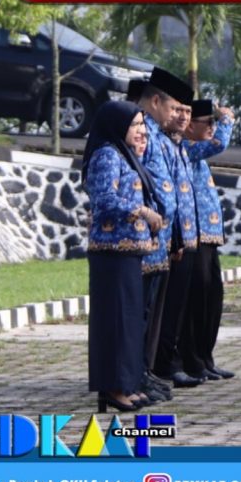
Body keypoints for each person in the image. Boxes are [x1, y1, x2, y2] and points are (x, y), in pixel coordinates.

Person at [81, 101, 162, 412]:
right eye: (135, 125)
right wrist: (142, 211)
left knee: (128, 320)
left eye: (142, 124)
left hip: (128, 251)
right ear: (117, 126)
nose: (141, 131)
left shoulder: (123, 154)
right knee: (115, 321)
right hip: (111, 251)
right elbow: (104, 200)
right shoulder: (106, 155)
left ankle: (126, 384)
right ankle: (113, 388)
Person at [136, 67, 195, 399]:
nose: (176, 115)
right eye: (173, 108)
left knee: (152, 314)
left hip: (161, 240)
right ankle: (136, 374)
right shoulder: (142, 132)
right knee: (141, 313)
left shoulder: (159, 135)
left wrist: (174, 238)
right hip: (145, 238)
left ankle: (144, 371)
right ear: (155, 101)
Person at [179, 99, 236, 381]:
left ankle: (206, 357)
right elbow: (218, 144)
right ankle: (193, 360)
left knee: (213, 296)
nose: (212, 127)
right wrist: (226, 120)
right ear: (190, 126)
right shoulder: (187, 148)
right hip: (196, 236)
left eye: (214, 123)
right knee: (197, 297)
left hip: (210, 236)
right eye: (208, 123)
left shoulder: (197, 153)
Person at [152, 97, 203, 384]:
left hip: (186, 236)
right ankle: (163, 364)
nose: (182, 116)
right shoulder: (160, 143)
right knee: (167, 307)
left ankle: (171, 362)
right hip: (171, 238)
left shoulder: (179, 146)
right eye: (177, 110)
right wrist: (175, 237)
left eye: (186, 112)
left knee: (179, 307)